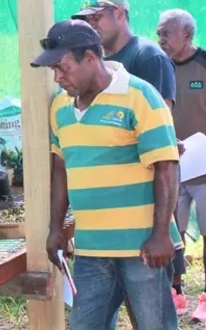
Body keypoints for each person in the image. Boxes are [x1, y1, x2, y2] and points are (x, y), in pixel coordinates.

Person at [37, 19, 182, 330]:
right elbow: (61, 170)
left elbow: (166, 166)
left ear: (90, 57)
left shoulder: (140, 96)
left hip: (141, 248)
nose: (58, 77)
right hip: (92, 250)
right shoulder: (60, 107)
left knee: (155, 325)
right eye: (54, 70)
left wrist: (160, 235)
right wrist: (55, 229)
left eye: (63, 68)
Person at [71, 0, 185, 321]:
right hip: (106, 230)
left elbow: (163, 138)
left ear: (120, 13)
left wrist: (160, 231)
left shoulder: (148, 57)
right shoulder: (97, 66)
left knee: (148, 314)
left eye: (97, 17)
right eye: (86, 20)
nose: (92, 25)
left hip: (143, 216)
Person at [158, 8, 206, 319]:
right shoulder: (157, 67)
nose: (160, 39)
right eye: (158, 33)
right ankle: (174, 292)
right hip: (168, 167)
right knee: (170, 232)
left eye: (166, 33)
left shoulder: (204, 63)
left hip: (203, 167)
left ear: (186, 35)